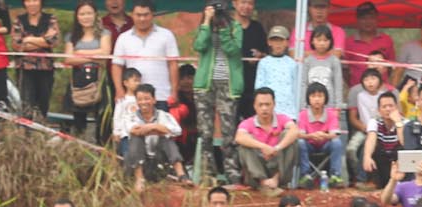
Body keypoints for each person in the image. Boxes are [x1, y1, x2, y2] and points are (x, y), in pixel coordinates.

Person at [193, 4, 241, 181]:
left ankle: (232, 172)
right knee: (205, 132)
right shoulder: (204, 26)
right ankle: (207, 173)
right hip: (205, 84)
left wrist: (223, 29)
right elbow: (199, 45)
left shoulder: (235, 27)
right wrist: (207, 22)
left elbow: (233, 50)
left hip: (228, 83)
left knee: (229, 132)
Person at [111, 1, 178, 108]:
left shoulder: (166, 35)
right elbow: (117, 65)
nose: (142, 19)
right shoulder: (123, 38)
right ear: (132, 15)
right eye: (138, 15)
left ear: (152, 15)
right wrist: (119, 90)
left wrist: (174, 91)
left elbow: (173, 64)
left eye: (146, 15)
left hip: (161, 95)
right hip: (133, 98)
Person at [117, 83, 186, 185]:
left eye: (147, 99)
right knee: (136, 138)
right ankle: (139, 179)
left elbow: (176, 131)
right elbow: (134, 131)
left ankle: (182, 176)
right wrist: (159, 129)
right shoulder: (130, 117)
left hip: (159, 159)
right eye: (140, 99)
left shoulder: (164, 115)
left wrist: (152, 126)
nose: (143, 102)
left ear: (154, 100)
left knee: (167, 139)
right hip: (139, 159)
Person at [63, 1, 111, 142]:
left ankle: (102, 148)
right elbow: (68, 59)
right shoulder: (71, 36)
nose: (86, 17)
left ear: (95, 14)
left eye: (89, 13)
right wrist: (94, 56)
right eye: (82, 14)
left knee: (102, 120)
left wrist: (80, 52)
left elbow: (105, 54)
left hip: (99, 80)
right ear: (77, 16)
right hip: (78, 81)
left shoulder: (104, 33)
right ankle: (79, 149)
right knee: (78, 122)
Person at [234, 87, 299, 189]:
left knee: (289, 137)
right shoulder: (247, 123)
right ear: (255, 106)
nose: (264, 108)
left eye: (267, 104)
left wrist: (277, 148)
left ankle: (275, 180)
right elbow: (239, 137)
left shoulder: (283, 118)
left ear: (274, 104)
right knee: (245, 144)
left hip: (278, 168)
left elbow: (295, 131)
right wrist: (263, 146)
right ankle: (263, 181)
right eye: (260, 105)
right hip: (257, 169)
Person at [10, 0, 57, 120]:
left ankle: (41, 128)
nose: (32, 4)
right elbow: (17, 45)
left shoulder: (50, 19)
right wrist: (43, 40)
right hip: (25, 68)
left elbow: (53, 41)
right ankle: (27, 130)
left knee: (43, 104)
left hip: (46, 67)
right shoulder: (19, 20)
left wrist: (28, 39)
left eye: (35, 0)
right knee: (27, 104)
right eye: (28, 1)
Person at [297, 82, 344, 187]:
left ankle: (335, 176)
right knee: (300, 143)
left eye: (320, 96)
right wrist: (311, 136)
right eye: (313, 96)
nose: (317, 99)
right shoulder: (303, 114)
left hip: (325, 145)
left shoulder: (331, 114)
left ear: (325, 98)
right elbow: (299, 134)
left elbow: (335, 133)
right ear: (308, 98)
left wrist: (324, 135)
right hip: (309, 145)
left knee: (337, 143)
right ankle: (305, 176)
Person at [301, 26, 345, 121]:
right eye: (319, 40)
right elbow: (303, 84)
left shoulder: (334, 61)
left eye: (325, 40)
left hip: (330, 106)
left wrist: (338, 108)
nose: (322, 43)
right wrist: (303, 106)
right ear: (312, 41)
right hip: (310, 106)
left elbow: (338, 85)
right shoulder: (307, 61)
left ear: (330, 42)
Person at [254, 25, 298, 119]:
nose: (278, 44)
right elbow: (259, 87)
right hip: (268, 110)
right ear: (269, 42)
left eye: (281, 40)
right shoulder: (263, 63)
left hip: (289, 111)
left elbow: (296, 88)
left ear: (287, 42)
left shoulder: (292, 64)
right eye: (274, 40)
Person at [347, 3, 395, 87]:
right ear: (357, 20)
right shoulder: (348, 42)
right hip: (358, 89)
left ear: (377, 18)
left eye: (371, 18)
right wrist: (354, 86)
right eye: (364, 18)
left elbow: (391, 66)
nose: (368, 21)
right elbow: (344, 70)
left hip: (382, 90)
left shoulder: (387, 40)